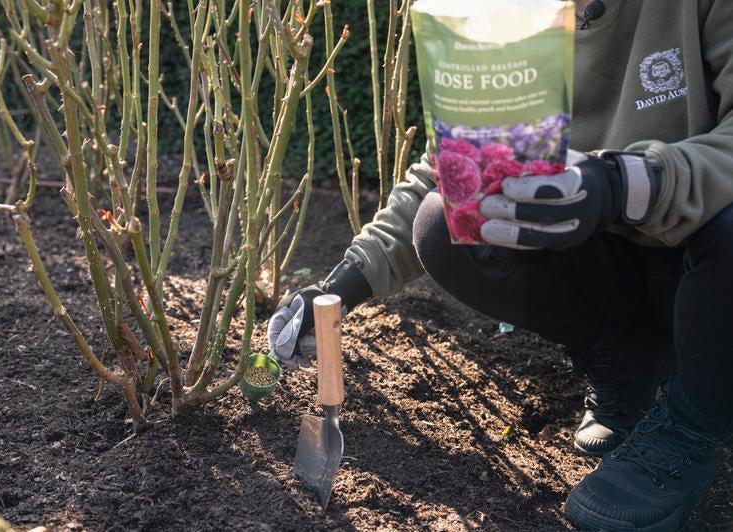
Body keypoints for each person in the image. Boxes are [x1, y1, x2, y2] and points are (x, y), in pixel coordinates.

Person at [267, 1, 733, 530]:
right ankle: (626, 360)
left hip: (708, 270)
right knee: (442, 222)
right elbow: (453, 165)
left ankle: (694, 423)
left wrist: (628, 184)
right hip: (617, 268)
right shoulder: (513, 12)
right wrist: (343, 284)